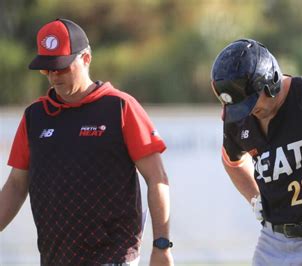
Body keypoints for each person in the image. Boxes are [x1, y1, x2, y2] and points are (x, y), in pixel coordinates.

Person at [0, 18, 173, 266]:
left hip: (112, 257)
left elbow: (157, 178)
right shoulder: (34, 116)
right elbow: (16, 186)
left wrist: (162, 246)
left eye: (61, 67)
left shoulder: (120, 107)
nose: (53, 77)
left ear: (86, 58)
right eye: (47, 69)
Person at [210, 38, 302, 265]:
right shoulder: (239, 117)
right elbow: (231, 160)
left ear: (271, 81)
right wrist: (254, 198)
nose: (250, 112)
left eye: (252, 103)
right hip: (271, 239)